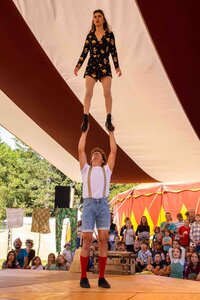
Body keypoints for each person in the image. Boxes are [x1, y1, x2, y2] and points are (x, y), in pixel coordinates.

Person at [78, 125, 117, 288]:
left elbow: (114, 151)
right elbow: (80, 150)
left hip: (102, 205)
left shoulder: (106, 170)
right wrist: (84, 132)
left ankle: (101, 277)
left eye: (98, 153)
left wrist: (111, 132)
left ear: (102, 159)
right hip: (88, 205)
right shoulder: (85, 168)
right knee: (86, 239)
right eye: (93, 153)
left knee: (102, 240)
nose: (94, 154)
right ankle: (83, 277)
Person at [74, 9, 122, 132]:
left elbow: (113, 51)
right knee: (88, 93)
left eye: (99, 16)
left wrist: (117, 66)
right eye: (95, 16)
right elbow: (84, 51)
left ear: (103, 19)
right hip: (92, 65)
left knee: (107, 93)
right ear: (93, 20)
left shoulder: (109, 34)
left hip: (105, 65)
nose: (97, 18)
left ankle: (108, 119)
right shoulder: (90, 35)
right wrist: (78, 66)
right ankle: (85, 118)